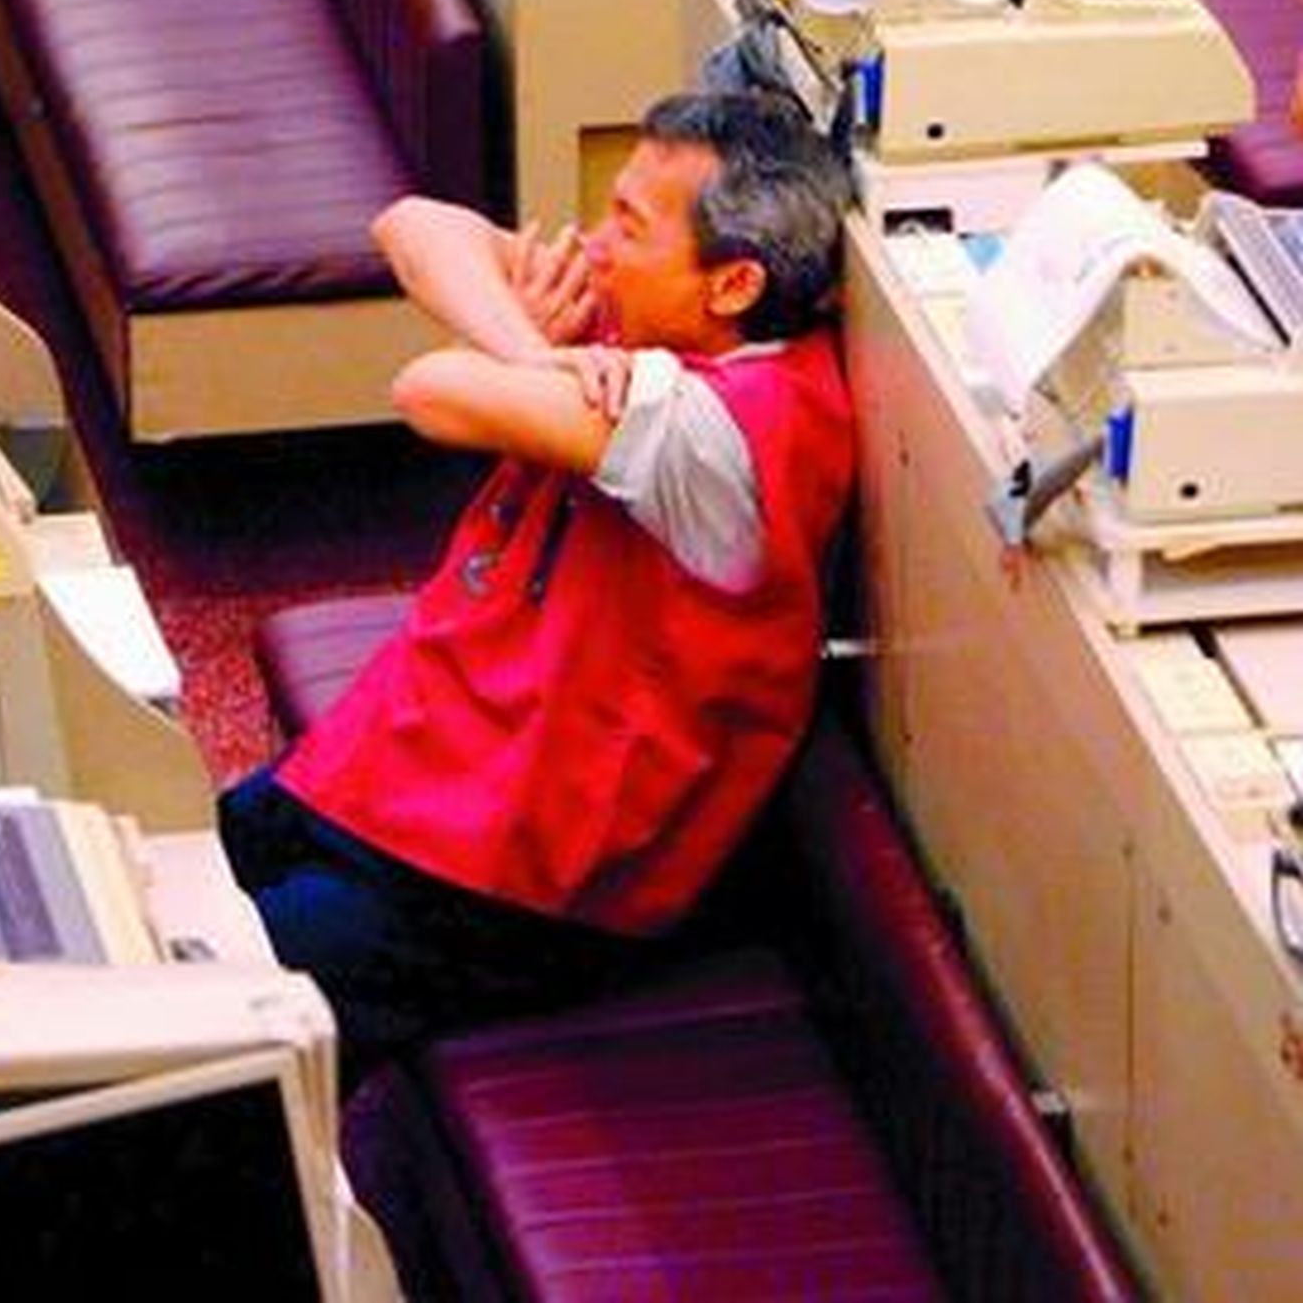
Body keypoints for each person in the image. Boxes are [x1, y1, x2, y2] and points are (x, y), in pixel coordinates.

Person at [218, 90, 855, 1083]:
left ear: (733, 281)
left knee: (181, 1009)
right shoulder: (653, 326)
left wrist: (525, 354)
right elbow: (415, 226)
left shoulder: (721, 430)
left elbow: (429, 389)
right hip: (397, 776)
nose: (594, 246)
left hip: (501, 887)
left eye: (628, 226)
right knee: (156, 880)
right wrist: (537, 343)